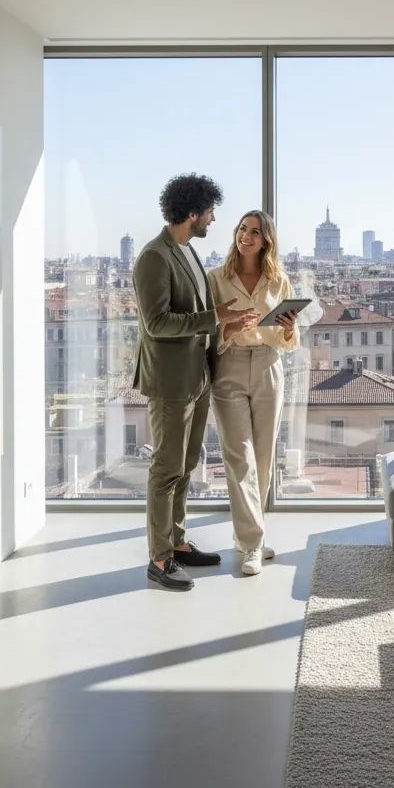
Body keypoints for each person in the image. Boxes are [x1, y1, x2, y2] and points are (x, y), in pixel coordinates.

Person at [133, 174, 258, 591]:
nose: (213, 219)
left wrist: (225, 324)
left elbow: (199, 317)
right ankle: (159, 558)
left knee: (186, 466)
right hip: (171, 381)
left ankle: (177, 542)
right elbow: (157, 323)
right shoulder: (154, 257)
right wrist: (214, 317)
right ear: (192, 212)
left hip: (197, 375)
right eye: (209, 212)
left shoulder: (187, 251)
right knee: (166, 468)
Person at [207, 210, 300, 576]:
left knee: (262, 458)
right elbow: (207, 329)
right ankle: (253, 543)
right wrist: (228, 328)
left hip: (268, 365)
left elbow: (288, 341)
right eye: (243, 229)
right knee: (239, 458)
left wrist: (289, 328)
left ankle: (247, 535)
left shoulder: (279, 281)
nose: (246, 236)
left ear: (266, 241)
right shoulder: (216, 278)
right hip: (229, 367)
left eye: (255, 232)